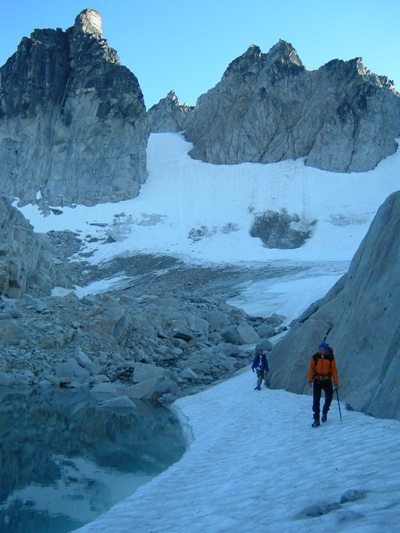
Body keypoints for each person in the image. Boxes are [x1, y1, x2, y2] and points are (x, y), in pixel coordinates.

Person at [307, 341, 339, 427]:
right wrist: (310, 380)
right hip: (317, 380)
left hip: (327, 380)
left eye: (323, 350)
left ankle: (325, 411)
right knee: (316, 400)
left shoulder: (330, 358)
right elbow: (311, 369)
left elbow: (334, 371)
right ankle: (316, 419)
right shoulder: (315, 357)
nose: (321, 351)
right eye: (320, 350)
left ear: (326, 350)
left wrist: (336, 383)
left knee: (329, 396)